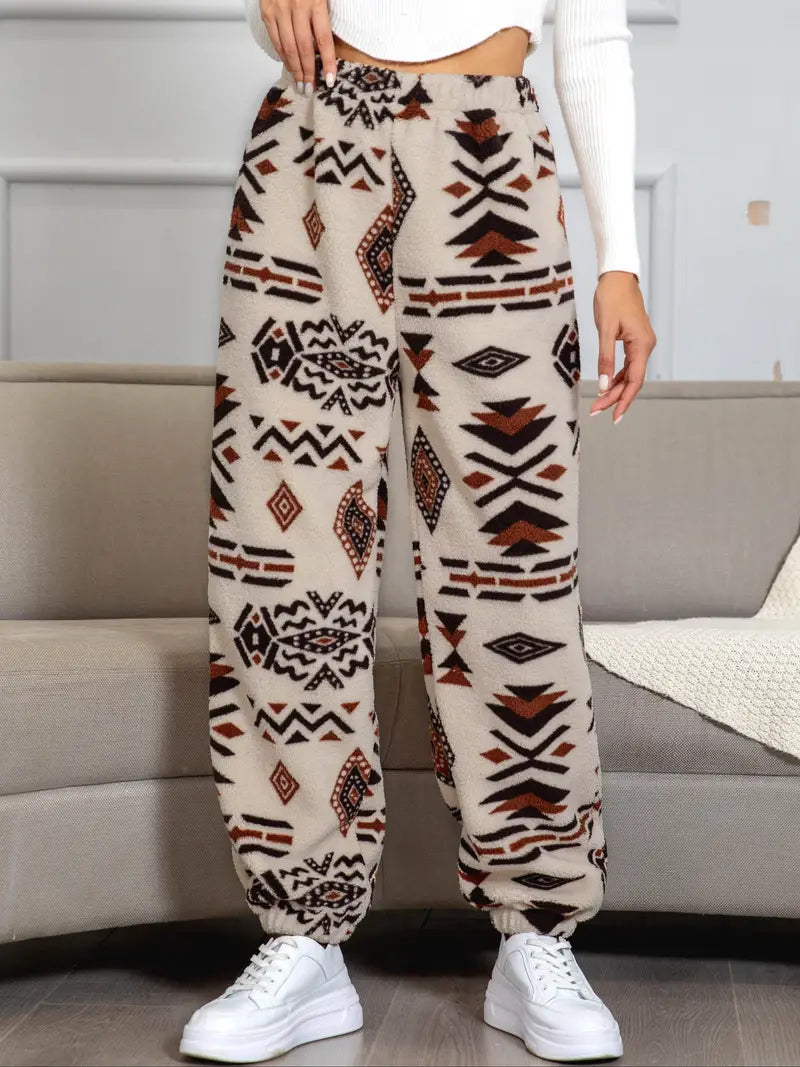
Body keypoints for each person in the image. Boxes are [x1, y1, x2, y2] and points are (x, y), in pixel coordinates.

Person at [181, 0, 657, 1061]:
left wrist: (619, 256)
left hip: (492, 156)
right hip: (313, 141)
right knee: (282, 565)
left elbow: (593, 34)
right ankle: (302, 935)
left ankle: (534, 932)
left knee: (513, 560)